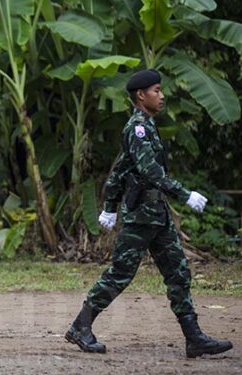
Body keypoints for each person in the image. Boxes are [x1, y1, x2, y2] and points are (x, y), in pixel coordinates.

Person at [65, 69, 233, 358]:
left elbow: (119, 169)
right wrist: (184, 194)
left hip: (158, 216)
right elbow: (149, 171)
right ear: (141, 95)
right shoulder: (137, 128)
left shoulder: (147, 127)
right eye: (157, 90)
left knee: (178, 273)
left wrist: (109, 205)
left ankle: (194, 338)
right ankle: (81, 326)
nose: (162, 95)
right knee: (120, 273)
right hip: (140, 217)